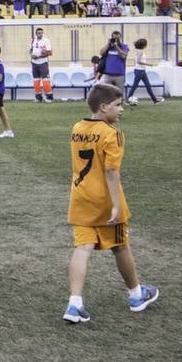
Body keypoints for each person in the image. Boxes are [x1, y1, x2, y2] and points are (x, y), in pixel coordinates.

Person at [64, 82, 160, 324]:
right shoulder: (112, 134)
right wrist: (116, 205)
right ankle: (137, 295)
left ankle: (74, 303)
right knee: (120, 245)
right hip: (105, 200)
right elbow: (110, 171)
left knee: (82, 247)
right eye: (118, 105)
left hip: (80, 197)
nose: (121, 109)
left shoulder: (77, 127)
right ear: (104, 106)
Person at [125, 38, 164, 105]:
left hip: (141, 71)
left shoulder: (138, 50)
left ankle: (155, 100)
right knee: (135, 86)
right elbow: (139, 61)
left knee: (147, 86)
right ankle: (127, 100)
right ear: (143, 45)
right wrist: (149, 64)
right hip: (139, 71)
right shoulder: (140, 51)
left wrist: (135, 42)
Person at [29, 26, 54, 101]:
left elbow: (50, 53)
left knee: (45, 80)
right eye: (38, 33)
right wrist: (31, 55)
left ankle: (49, 97)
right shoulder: (33, 40)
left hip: (43, 63)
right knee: (36, 80)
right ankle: (38, 97)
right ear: (36, 34)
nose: (40, 34)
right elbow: (30, 50)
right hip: (34, 63)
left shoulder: (46, 41)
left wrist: (39, 57)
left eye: (41, 33)